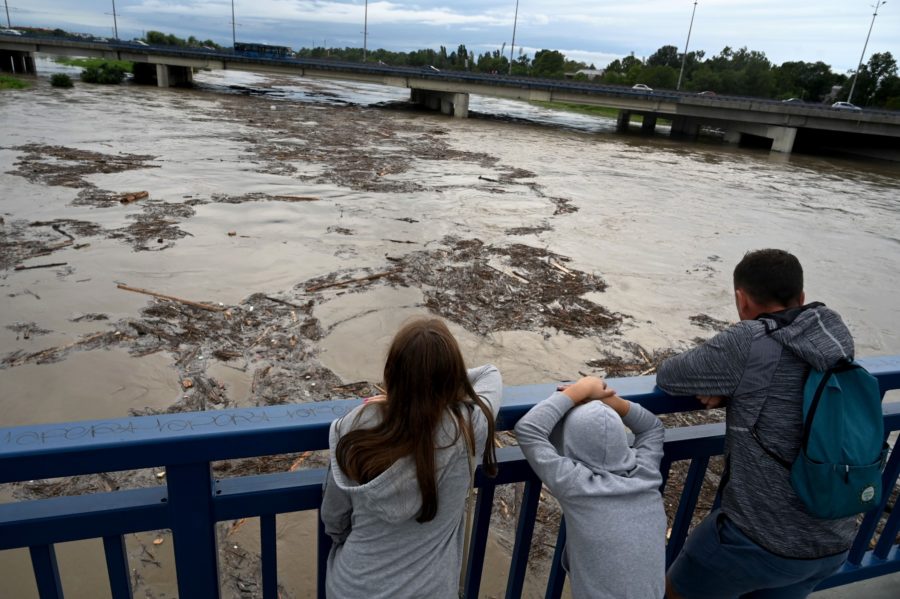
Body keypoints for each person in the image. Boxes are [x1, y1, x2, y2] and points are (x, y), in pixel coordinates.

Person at [657, 249, 857, 599]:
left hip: (758, 540)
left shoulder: (749, 340)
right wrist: (739, 390)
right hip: (831, 538)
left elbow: (670, 376)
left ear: (741, 299)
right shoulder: (835, 338)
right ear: (802, 297)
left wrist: (727, 386)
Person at [320, 318, 502, 599]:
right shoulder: (468, 428)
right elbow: (490, 374)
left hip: (353, 586)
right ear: (451, 377)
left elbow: (334, 518)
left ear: (391, 373)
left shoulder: (353, 426)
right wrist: (434, 382)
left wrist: (408, 389)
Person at [515, 375, 666, 599]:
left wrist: (577, 391)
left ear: (571, 450)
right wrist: (612, 402)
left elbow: (528, 429)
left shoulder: (578, 484)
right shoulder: (646, 473)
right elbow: (652, 427)